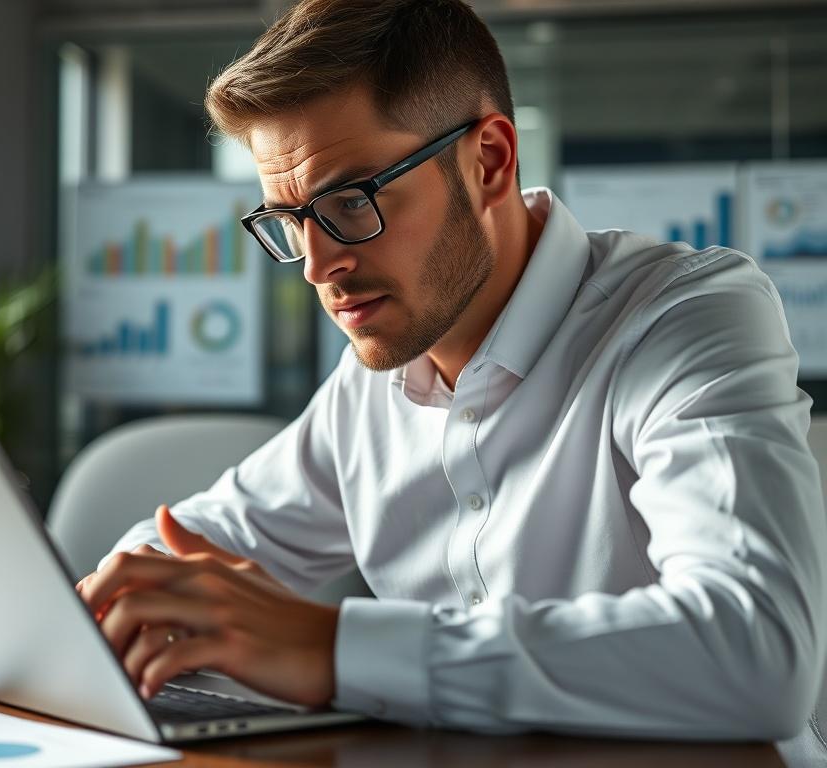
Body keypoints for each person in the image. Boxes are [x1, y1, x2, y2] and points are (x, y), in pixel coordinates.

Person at [77, 0, 826, 749]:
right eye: (291, 220)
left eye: (351, 201)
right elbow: (202, 538)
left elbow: (757, 648)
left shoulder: (685, 317)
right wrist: (117, 602)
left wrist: (330, 649)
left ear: (489, 161)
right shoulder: (371, 383)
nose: (317, 266)